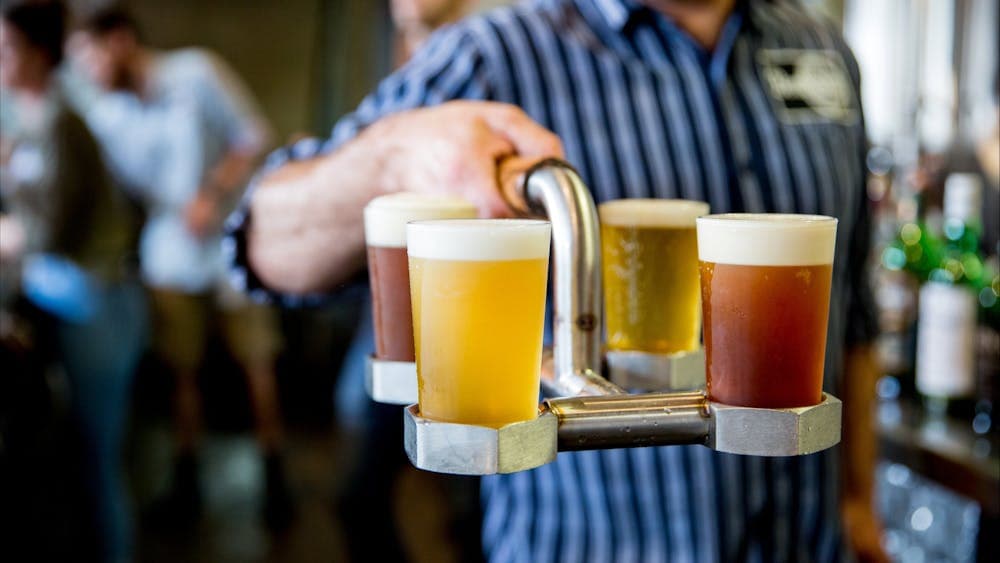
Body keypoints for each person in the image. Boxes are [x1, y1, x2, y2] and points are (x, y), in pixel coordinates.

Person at [230, 0, 885, 560]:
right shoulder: (493, 56)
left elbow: (855, 309)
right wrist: (392, 157)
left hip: (808, 538)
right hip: (586, 541)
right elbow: (261, 240)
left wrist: (859, 499)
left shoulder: (823, 49)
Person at [71, 6, 293, 530]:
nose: (89, 73)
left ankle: (274, 476)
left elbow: (251, 135)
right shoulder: (108, 116)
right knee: (181, 368)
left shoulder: (194, 72)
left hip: (235, 239)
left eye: (91, 58)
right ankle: (187, 478)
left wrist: (211, 193)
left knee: (256, 360)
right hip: (169, 252)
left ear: (120, 41)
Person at [0, 2, 146, 561]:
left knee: (99, 458)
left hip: (98, 302)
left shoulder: (61, 120)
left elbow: (48, 231)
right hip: (68, 301)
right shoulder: (28, 120)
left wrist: (11, 228)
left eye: (7, 48)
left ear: (39, 53)